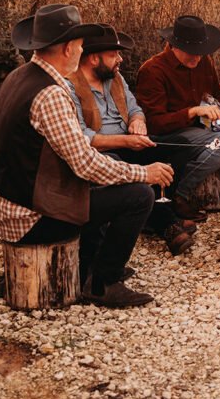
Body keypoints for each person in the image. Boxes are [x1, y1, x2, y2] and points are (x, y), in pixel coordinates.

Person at [0, 4, 175, 308]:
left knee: (105, 184)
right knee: (138, 195)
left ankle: (88, 267)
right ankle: (103, 283)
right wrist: (145, 174)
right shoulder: (51, 94)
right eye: (81, 44)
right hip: (30, 217)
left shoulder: (19, 76)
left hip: (12, 202)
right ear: (68, 48)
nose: (83, 49)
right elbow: (85, 163)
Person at [66, 24, 197, 256]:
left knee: (181, 147)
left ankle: (153, 212)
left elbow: (135, 107)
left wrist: (138, 122)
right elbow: (82, 138)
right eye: (113, 54)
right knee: (117, 159)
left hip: (131, 141)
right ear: (94, 59)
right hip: (102, 152)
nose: (120, 59)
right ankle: (167, 225)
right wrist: (125, 142)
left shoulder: (114, 77)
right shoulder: (69, 86)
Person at [135, 15, 220, 216]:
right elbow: (155, 124)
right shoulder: (152, 70)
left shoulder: (204, 61)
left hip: (203, 127)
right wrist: (192, 111)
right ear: (173, 45)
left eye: (201, 52)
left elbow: (219, 93)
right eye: (191, 53)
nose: (197, 58)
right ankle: (179, 193)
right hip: (172, 133)